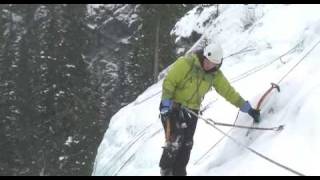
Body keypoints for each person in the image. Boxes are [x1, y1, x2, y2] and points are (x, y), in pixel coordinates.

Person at [158, 41, 260, 176]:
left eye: (213, 64)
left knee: (187, 144)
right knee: (176, 138)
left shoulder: (215, 75)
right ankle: (165, 170)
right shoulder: (187, 63)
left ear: (217, 64)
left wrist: (248, 108)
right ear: (203, 56)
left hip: (192, 110)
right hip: (173, 106)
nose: (208, 65)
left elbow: (229, 92)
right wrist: (166, 104)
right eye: (207, 61)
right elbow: (169, 81)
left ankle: (179, 173)